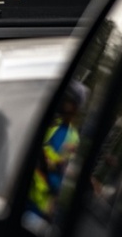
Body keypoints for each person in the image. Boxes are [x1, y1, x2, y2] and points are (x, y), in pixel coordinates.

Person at [28, 80, 87, 222]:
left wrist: (47, 159)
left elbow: (59, 170)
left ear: (75, 107)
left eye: (68, 99)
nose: (63, 101)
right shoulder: (53, 122)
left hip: (38, 205)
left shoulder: (72, 137)